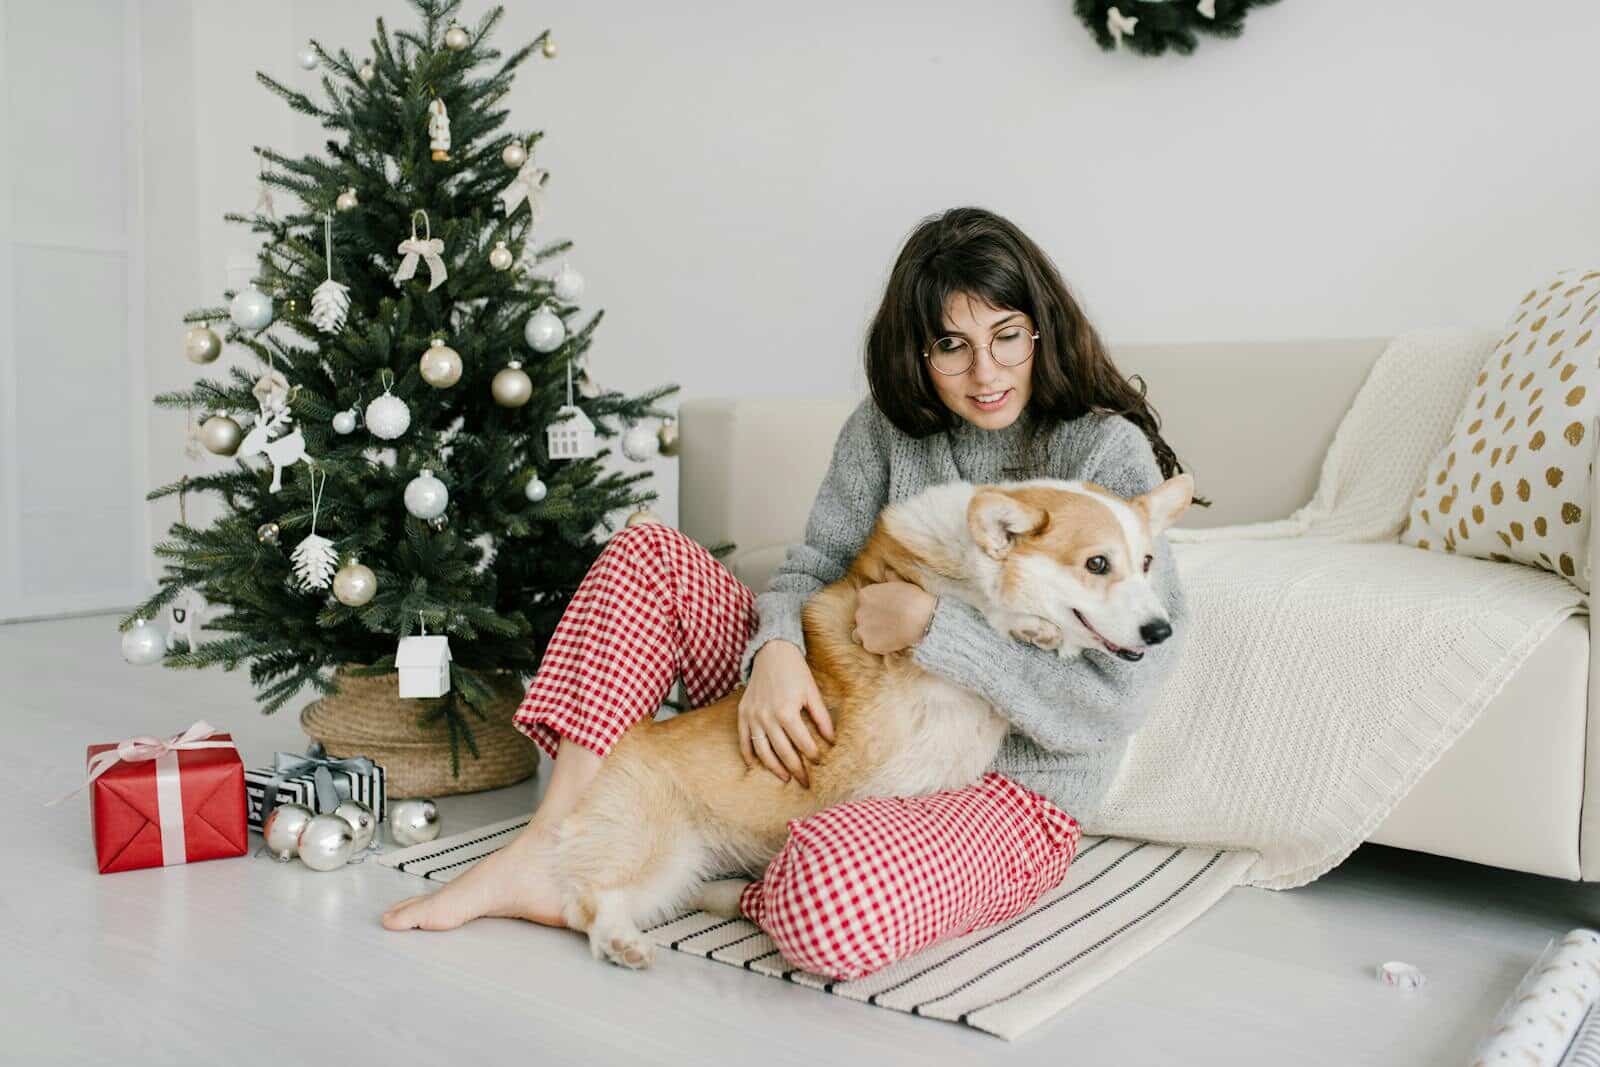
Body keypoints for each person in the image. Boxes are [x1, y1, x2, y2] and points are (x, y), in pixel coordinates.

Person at [382, 205, 1200, 981]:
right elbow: (815, 565)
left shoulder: (1104, 451)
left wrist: (933, 627)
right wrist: (773, 649)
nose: (984, 372)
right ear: (917, 353)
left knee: (830, 904)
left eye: (1007, 336)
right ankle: (547, 844)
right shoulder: (885, 429)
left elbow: (1120, 700)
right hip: (833, 710)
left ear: (1041, 327)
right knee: (646, 554)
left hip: (1005, 793)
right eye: (952, 345)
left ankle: (744, 877)